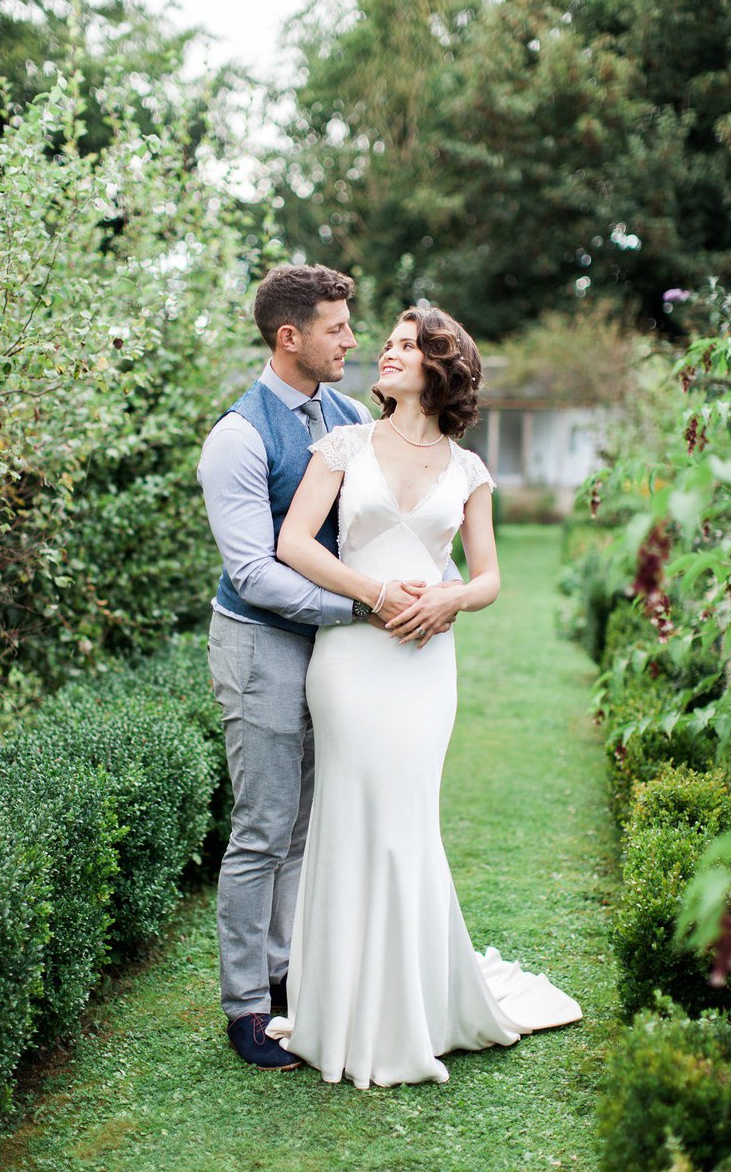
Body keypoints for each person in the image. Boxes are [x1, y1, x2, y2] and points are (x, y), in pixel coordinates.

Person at [268, 305, 582, 1088]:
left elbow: (490, 577)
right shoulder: (343, 445)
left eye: (406, 345)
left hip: (424, 671)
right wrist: (376, 594)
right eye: (388, 342)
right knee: (351, 818)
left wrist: (449, 601)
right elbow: (294, 543)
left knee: (407, 822)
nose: (386, 351)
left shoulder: (469, 470)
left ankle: (413, 1008)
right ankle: (338, 1010)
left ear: (439, 367)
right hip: (351, 660)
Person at [197, 264, 448, 1070]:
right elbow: (255, 572)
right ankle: (244, 1006)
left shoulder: (344, 417)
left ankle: (287, 974)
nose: (352, 340)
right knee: (264, 825)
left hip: (342, 657)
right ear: (289, 337)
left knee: (311, 821)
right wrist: (365, 605)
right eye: (338, 328)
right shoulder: (236, 439)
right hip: (262, 644)